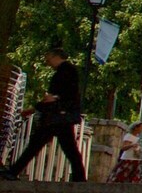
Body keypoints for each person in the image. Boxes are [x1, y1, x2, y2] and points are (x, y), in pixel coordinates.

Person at [1, 48, 86, 182]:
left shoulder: (66, 71)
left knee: (40, 145)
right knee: (65, 148)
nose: (47, 62)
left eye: (48, 58)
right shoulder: (65, 71)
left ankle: (13, 171)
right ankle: (79, 177)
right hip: (57, 116)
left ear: (55, 56)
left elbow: (67, 94)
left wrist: (53, 100)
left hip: (57, 116)